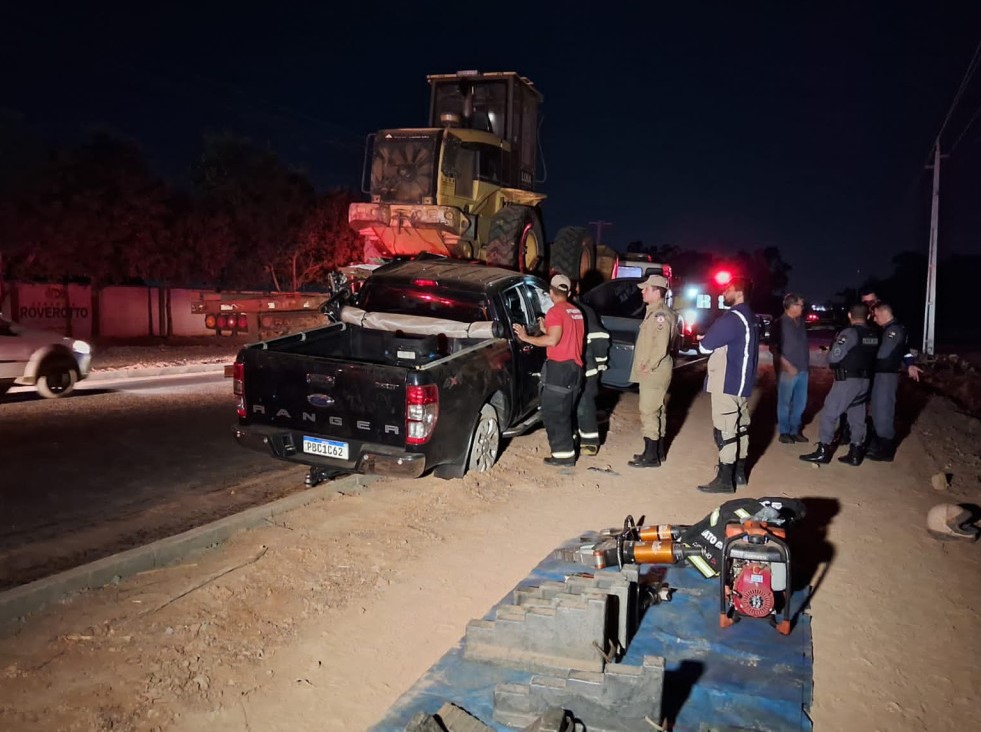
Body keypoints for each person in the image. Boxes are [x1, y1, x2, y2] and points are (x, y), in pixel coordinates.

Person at [695, 277, 759, 493]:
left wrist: (706, 338)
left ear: (738, 292)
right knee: (741, 427)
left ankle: (724, 480)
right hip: (741, 381)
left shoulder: (732, 318)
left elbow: (705, 347)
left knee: (725, 430)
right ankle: (739, 474)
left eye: (727, 289)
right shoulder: (750, 317)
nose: (723, 293)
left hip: (726, 380)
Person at [513, 274, 585, 467]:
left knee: (553, 413)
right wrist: (546, 329)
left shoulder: (555, 311)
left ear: (551, 292)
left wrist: (526, 337)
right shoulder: (575, 311)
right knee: (566, 411)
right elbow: (565, 336)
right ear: (568, 292)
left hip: (560, 370)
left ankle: (563, 456)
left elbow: (553, 340)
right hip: (575, 369)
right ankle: (570, 447)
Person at [799, 304, 879, 465]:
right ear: (868, 316)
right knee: (857, 416)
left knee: (829, 412)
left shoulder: (849, 333)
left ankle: (823, 451)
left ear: (850, 315)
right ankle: (856, 452)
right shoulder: (873, 334)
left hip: (848, 381)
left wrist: (830, 353)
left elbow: (834, 357)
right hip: (865, 381)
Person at [627, 274, 677, 468]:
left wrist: (649, 366)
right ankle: (657, 452)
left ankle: (651, 457)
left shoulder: (659, 315)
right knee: (657, 410)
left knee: (648, 411)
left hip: (655, 371)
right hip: (658, 369)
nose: (642, 292)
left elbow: (660, 346)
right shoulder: (657, 312)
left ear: (657, 292)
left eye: (646, 289)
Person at [865, 301, 923, 462]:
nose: (874, 319)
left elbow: (883, 354)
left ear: (884, 313)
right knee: (877, 408)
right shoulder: (889, 329)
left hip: (886, 375)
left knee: (883, 409)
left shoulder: (893, 330)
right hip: (882, 374)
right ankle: (879, 443)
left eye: (876, 315)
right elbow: (904, 350)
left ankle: (886, 449)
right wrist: (910, 364)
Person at [572, 285, 611, 456]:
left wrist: (600, 362)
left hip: (586, 369)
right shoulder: (568, 310)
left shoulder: (583, 311)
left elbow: (600, 337)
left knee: (585, 405)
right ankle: (575, 438)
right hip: (571, 369)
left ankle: (590, 442)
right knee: (573, 405)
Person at [771, 293, 809, 444]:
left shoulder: (801, 322)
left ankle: (795, 430)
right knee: (785, 402)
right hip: (787, 371)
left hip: (803, 369)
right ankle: (784, 432)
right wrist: (787, 365)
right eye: (800, 305)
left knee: (800, 403)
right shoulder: (779, 323)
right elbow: (773, 348)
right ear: (791, 306)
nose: (802, 308)